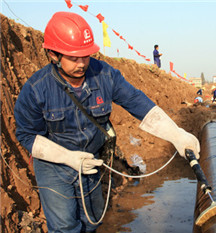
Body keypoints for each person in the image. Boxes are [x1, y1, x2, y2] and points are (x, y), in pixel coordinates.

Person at [14, 12, 200, 233]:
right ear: (53, 54)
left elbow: (136, 102)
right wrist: (67, 158)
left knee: (91, 221)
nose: (82, 63)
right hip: (54, 167)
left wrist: (176, 134)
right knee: (66, 227)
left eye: (86, 56)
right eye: (73, 58)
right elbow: (26, 135)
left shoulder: (105, 75)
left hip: (91, 162)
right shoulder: (36, 90)